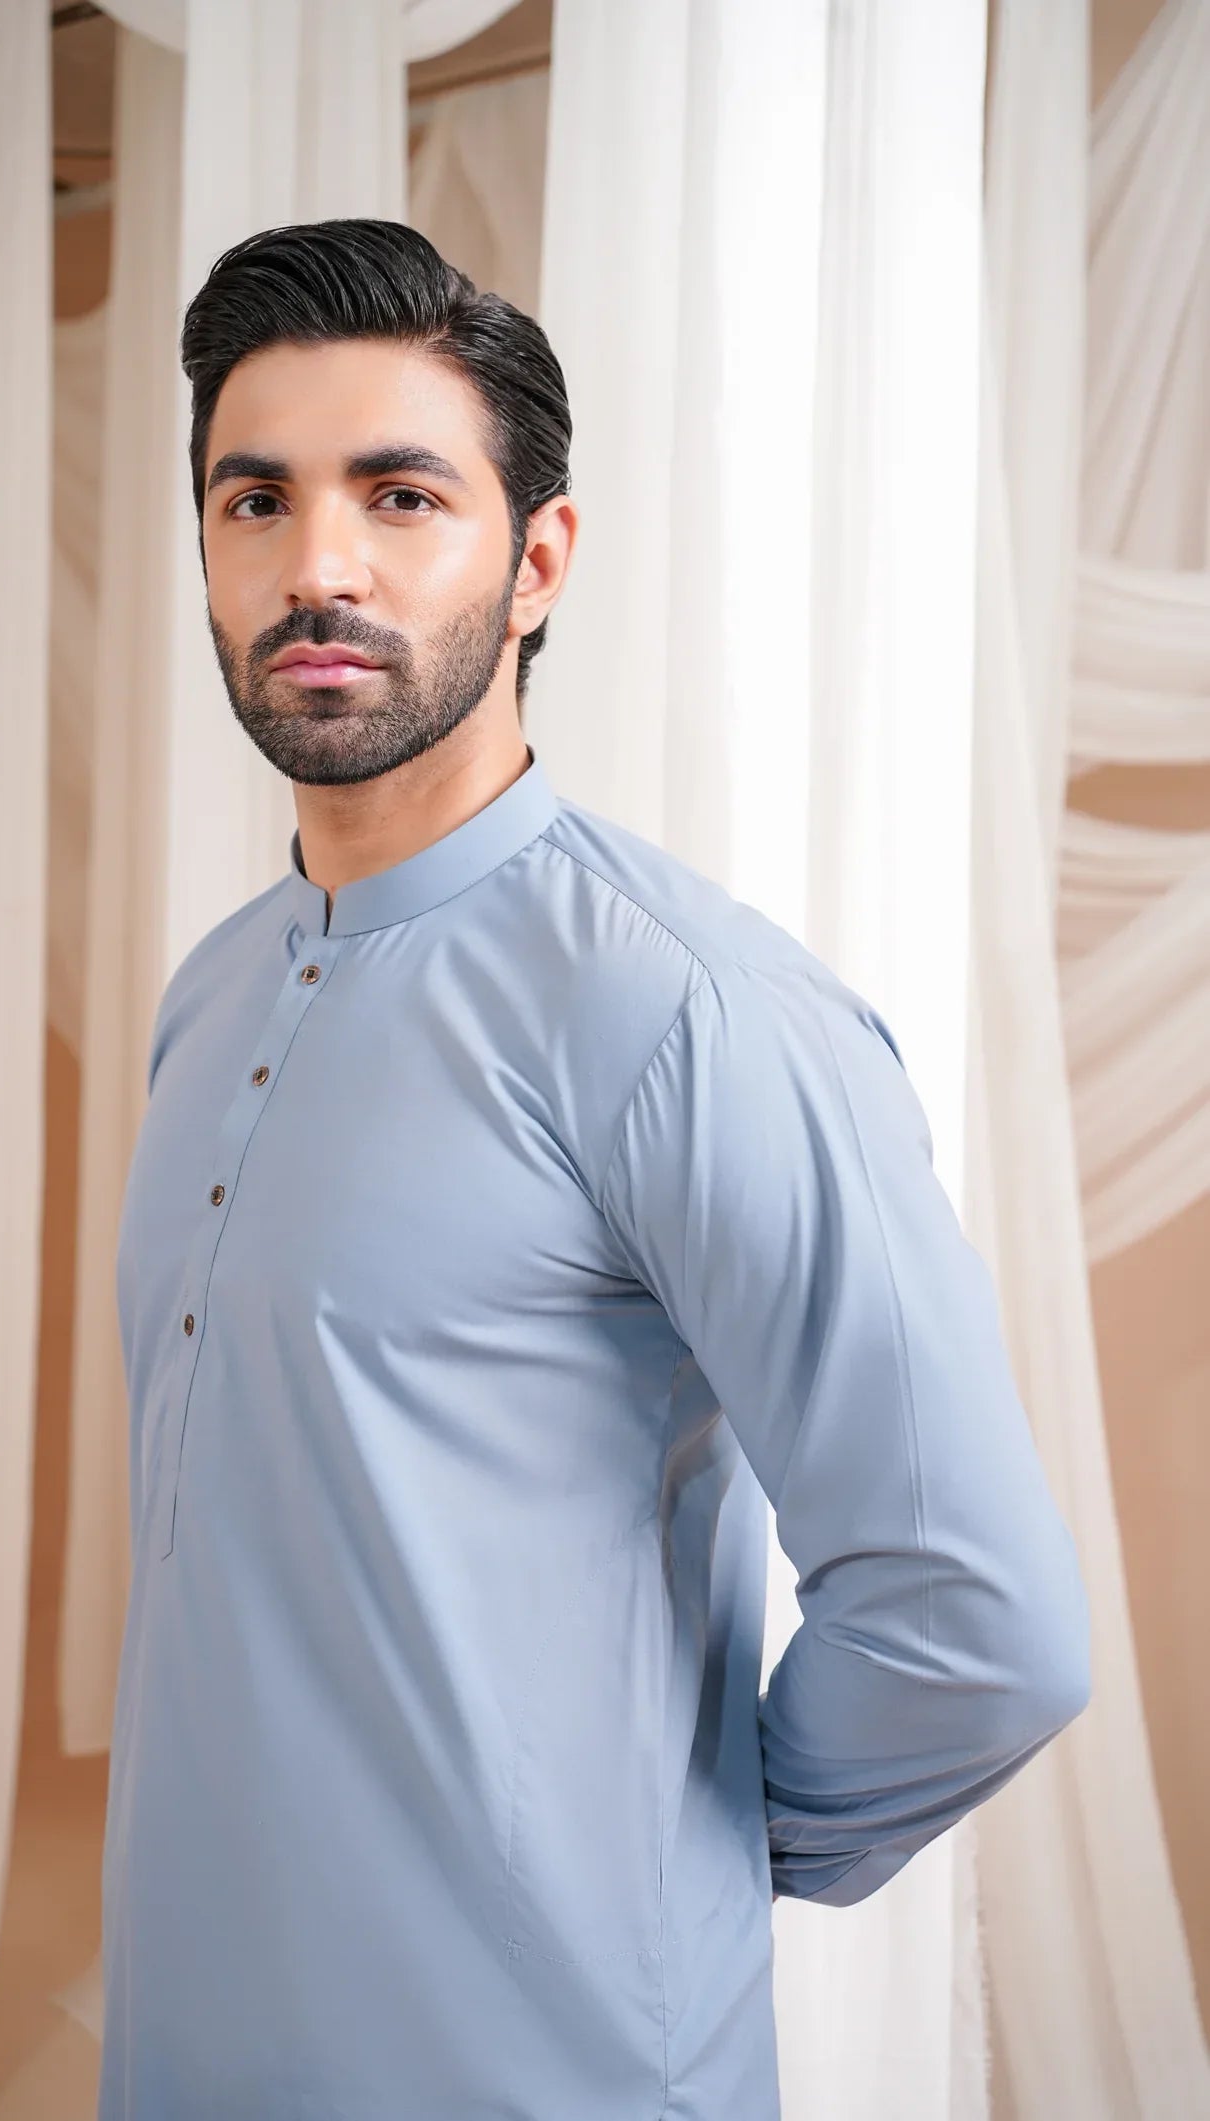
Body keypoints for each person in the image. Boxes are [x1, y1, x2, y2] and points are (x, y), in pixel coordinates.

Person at [98, 217, 1090, 2121]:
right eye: (255, 499)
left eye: (401, 496)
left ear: (537, 560)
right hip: (188, 2039)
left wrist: (653, 1854)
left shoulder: (689, 1014)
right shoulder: (214, 990)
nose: (318, 566)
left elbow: (980, 1621)